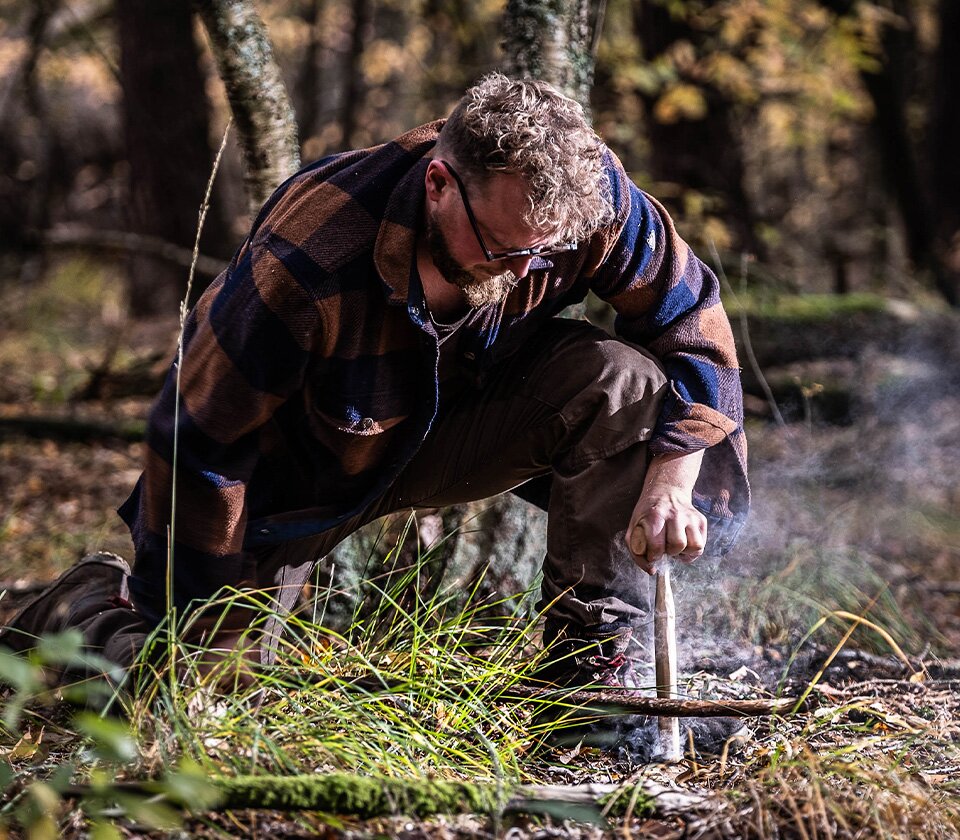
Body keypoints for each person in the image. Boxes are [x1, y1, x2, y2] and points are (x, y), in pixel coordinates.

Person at [0, 73, 749, 692]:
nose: (525, 271)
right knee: (186, 695)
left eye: (544, 255)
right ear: (438, 185)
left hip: (460, 419)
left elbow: (693, 323)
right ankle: (87, 606)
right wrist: (200, 617)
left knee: (620, 382)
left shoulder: (586, 205)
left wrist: (673, 481)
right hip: (298, 477)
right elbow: (197, 440)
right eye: (503, 249)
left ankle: (588, 675)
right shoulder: (309, 257)